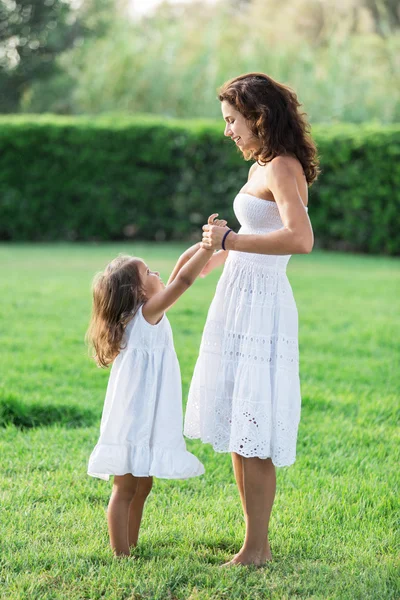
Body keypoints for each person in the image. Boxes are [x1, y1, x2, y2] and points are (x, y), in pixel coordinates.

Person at [184, 73, 320, 566]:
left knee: (255, 429)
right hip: (237, 297)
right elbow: (249, 232)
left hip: (263, 306)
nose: (228, 131)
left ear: (258, 117)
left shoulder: (282, 166)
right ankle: (252, 544)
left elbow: (300, 239)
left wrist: (232, 244)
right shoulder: (261, 165)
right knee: (240, 425)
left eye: (231, 120)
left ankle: (256, 549)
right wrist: (213, 255)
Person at [86, 215, 226, 557]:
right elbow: (183, 280)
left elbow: (178, 270)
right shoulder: (147, 314)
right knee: (125, 486)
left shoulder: (139, 313)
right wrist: (209, 247)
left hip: (146, 411)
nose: (157, 274)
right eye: (149, 274)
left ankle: (130, 546)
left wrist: (205, 242)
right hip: (136, 416)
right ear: (136, 291)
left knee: (142, 483)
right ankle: (121, 554)